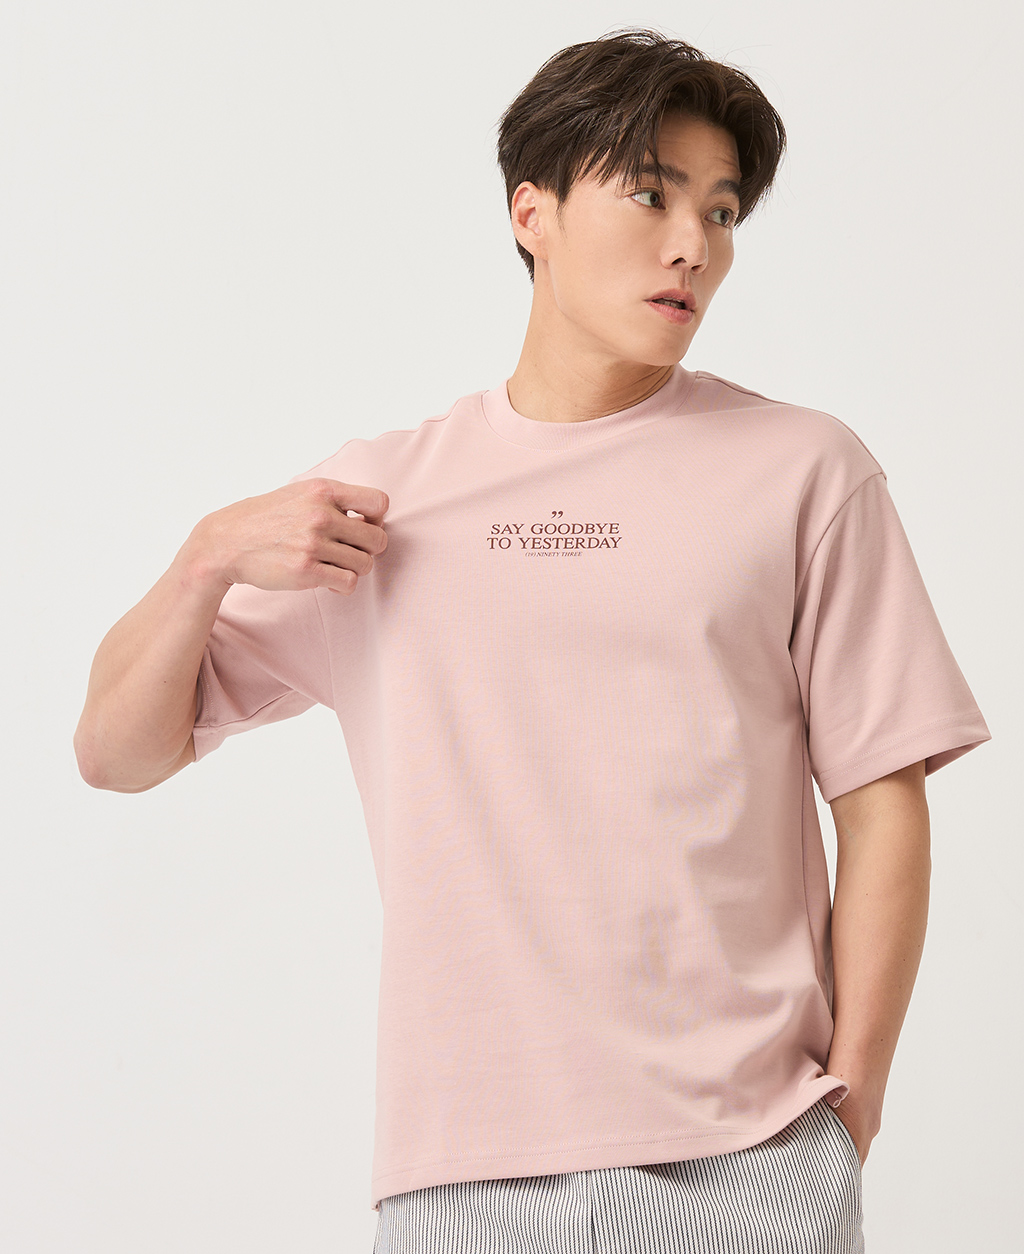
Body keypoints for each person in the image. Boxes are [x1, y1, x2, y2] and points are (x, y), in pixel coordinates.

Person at [75, 26, 991, 1254]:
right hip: (464, 1174)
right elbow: (116, 752)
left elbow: (881, 802)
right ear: (531, 213)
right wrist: (204, 558)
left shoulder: (803, 471)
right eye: (651, 194)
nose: (694, 243)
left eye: (721, 212)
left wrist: (849, 1109)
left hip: (751, 1156)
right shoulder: (383, 500)